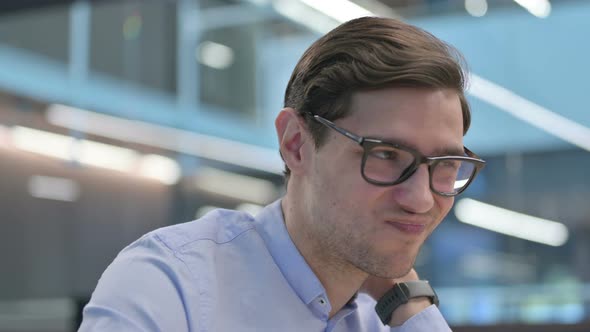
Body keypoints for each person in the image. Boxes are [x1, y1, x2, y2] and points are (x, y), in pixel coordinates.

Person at [79, 16, 485, 331]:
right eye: (386, 155)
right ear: (296, 144)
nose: (421, 200)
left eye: (445, 166)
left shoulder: (386, 316)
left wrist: (410, 302)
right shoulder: (171, 288)